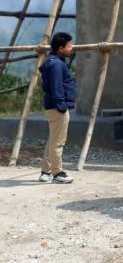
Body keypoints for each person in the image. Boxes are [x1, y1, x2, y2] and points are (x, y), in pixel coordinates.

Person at [38, 32, 76, 184]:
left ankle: (45, 171)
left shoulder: (54, 62)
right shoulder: (56, 64)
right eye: (69, 46)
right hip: (57, 107)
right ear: (61, 48)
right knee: (58, 142)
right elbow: (56, 87)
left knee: (53, 139)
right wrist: (62, 106)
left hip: (53, 106)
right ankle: (57, 173)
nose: (71, 48)